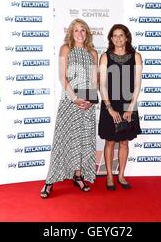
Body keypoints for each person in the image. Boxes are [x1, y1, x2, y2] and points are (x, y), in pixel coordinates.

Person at [40, 18, 98, 198]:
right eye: (76, 30)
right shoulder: (66, 49)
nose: (80, 33)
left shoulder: (93, 53)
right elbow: (62, 77)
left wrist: (90, 100)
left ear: (87, 33)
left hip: (87, 104)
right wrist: (75, 99)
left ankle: (78, 176)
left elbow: (95, 80)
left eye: (83, 30)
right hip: (70, 102)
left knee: (83, 140)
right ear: (71, 33)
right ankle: (49, 181)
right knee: (63, 140)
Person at [98, 24, 142, 191]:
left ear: (126, 37)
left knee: (124, 142)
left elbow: (137, 85)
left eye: (121, 35)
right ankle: (109, 176)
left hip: (128, 103)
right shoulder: (105, 57)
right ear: (110, 38)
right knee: (109, 142)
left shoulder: (136, 56)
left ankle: (121, 175)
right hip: (110, 103)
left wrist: (131, 108)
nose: (118, 38)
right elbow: (102, 85)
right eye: (114, 35)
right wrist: (109, 108)